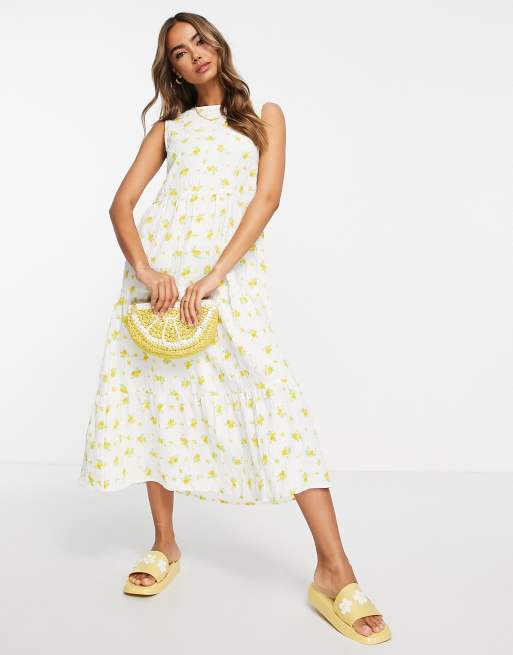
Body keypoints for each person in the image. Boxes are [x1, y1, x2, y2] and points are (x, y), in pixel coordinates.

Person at [78, 12, 390, 644]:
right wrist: (146, 270)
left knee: (276, 406)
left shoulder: (264, 117)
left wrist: (216, 275)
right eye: (179, 51)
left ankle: (334, 570)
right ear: (171, 68)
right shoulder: (168, 130)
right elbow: (121, 205)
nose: (194, 54)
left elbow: (266, 199)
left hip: (225, 283)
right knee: (156, 403)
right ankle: (164, 543)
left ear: (217, 44)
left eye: (200, 41)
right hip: (162, 289)